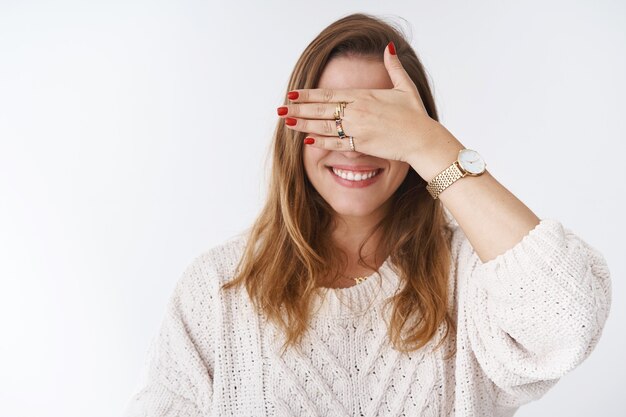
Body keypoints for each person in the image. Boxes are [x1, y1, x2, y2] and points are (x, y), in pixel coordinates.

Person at [124, 13, 612, 417]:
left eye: (377, 124)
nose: (353, 148)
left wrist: (432, 145)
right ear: (295, 132)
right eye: (333, 119)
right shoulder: (218, 289)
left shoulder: (474, 277)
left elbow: (569, 317)